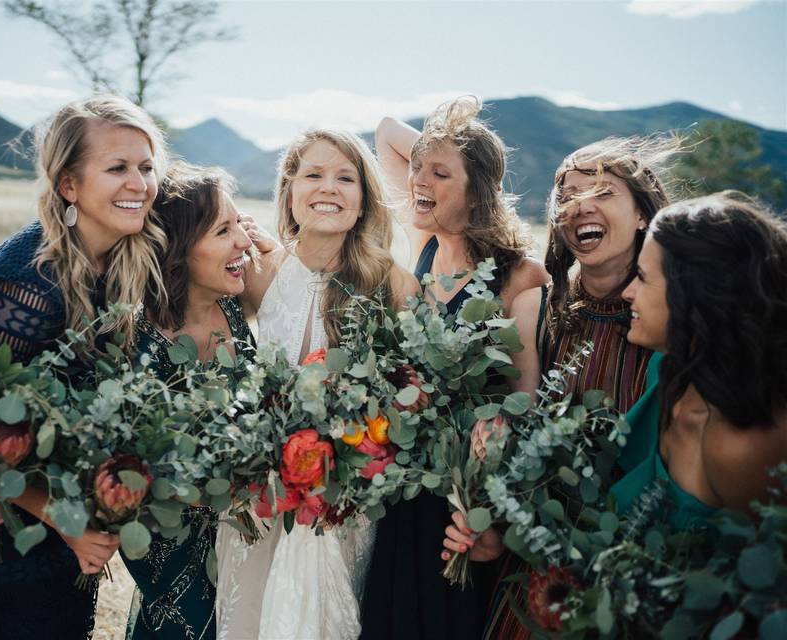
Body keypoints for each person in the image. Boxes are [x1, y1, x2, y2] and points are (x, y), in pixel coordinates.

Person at [0, 95, 168, 639]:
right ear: (68, 185)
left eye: (146, 167)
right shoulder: (28, 284)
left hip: (57, 531)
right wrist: (68, 519)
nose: (139, 183)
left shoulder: (119, 258)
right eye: (117, 168)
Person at [442, 136, 682, 639]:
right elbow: (506, 442)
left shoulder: (677, 325)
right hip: (533, 578)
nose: (580, 207)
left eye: (601, 191)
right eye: (568, 195)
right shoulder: (535, 310)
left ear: (643, 214)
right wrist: (493, 530)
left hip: (641, 576)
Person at [215, 128, 420, 640]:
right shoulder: (260, 269)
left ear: (364, 199)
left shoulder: (393, 283)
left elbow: (413, 394)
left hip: (343, 501)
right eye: (313, 174)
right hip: (258, 496)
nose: (328, 187)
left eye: (345, 177)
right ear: (289, 190)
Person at [362, 97, 548, 640]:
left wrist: (483, 505)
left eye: (440, 173)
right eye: (418, 166)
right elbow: (385, 130)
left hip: (461, 500)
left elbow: (524, 395)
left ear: (478, 193)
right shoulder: (421, 246)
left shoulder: (519, 277)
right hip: (402, 487)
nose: (419, 179)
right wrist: (446, 135)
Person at [126, 162, 255, 640]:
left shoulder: (233, 309)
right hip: (168, 538)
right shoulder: (140, 341)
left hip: (241, 527)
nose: (242, 239)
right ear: (178, 250)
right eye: (224, 230)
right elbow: (133, 465)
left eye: (241, 223)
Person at [614, 191, 787, 528]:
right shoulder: (665, 370)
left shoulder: (741, 443)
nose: (628, 291)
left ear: (695, 294)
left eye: (644, 277)